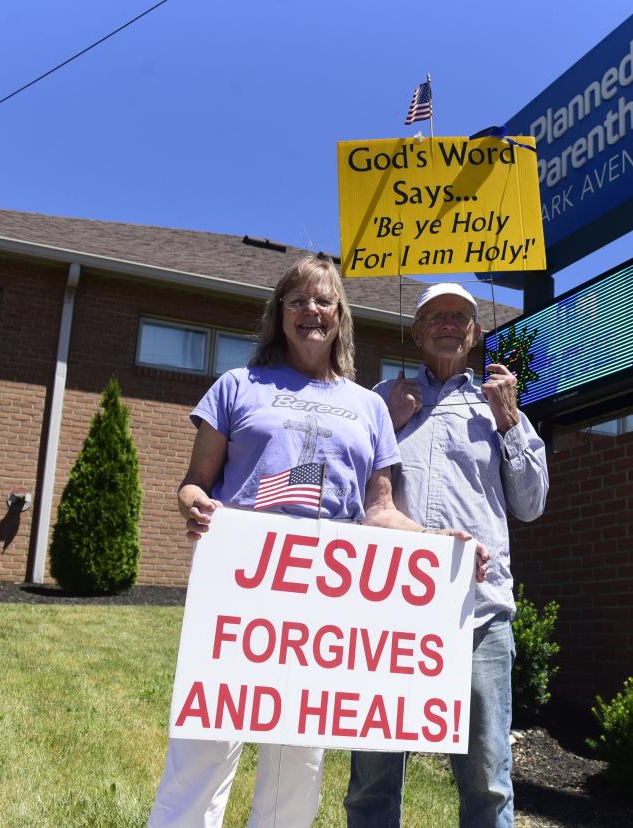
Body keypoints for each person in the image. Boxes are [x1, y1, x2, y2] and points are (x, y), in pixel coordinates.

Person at [149, 257, 483, 828]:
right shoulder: (237, 385)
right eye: (299, 299)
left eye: (325, 301)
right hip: (242, 588)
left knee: (297, 765)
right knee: (204, 747)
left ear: (341, 318)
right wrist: (192, 503)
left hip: (323, 603)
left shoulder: (369, 405)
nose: (312, 311)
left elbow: (377, 508)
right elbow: (195, 482)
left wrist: (434, 541)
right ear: (280, 314)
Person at [344, 282, 549, 828]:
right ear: (415, 331)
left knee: (486, 779)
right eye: (436, 316)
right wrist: (386, 422)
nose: (449, 325)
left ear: (477, 333)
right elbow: (349, 492)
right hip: (389, 613)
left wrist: (509, 421)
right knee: (373, 778)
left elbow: (530, 505)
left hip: (477, 614)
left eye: (461, 316)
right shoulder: (380, 398)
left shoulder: (498, 403)